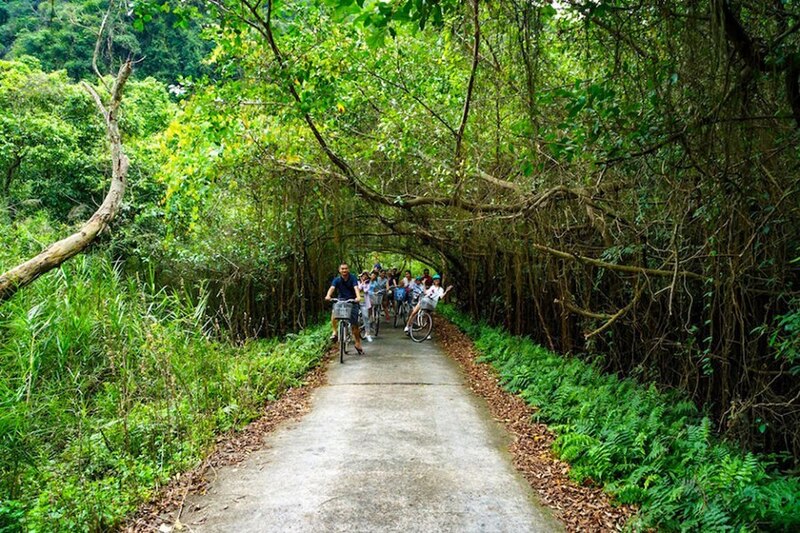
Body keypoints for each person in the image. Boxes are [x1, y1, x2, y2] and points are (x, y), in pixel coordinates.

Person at [325, 263, 364, 354]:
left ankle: (357, 342)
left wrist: (358, 297)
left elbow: (356, 288)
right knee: (334, 314)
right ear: (339, 270)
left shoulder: (353, 278)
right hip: (341, 300)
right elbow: (332, 288)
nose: (344, 270)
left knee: (354, 325)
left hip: (352, 301)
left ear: (348, 270)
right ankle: (335, 332)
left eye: (346, 268)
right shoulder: (337, 280)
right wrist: (328, 295)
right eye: (342, 269)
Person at [357, 271, 374, 342]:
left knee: (366, 317)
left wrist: (363, 284)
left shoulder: (369, 283)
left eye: (365, 276)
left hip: (364, 302)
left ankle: (368, 333)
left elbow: (365, 290)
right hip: (356, 302)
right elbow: (358, 289)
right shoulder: (357, 282)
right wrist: (362, 283)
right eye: (363, 275)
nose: (364, 277)